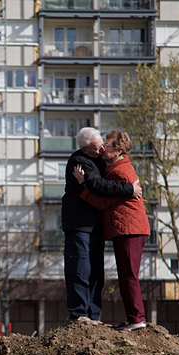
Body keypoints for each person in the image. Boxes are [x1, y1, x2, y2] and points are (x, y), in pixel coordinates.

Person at [62, 127, 142, 325]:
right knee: (80, 270)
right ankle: (79, 315)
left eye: (103, 146)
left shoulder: (101, 161)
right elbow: (98, 185)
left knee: (96, 272)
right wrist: (129, 188)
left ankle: (93, 316)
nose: (101, 150)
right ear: (86, 150)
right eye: (98, 148)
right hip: (79, 225)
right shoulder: (79, 161)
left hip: (96, 226)